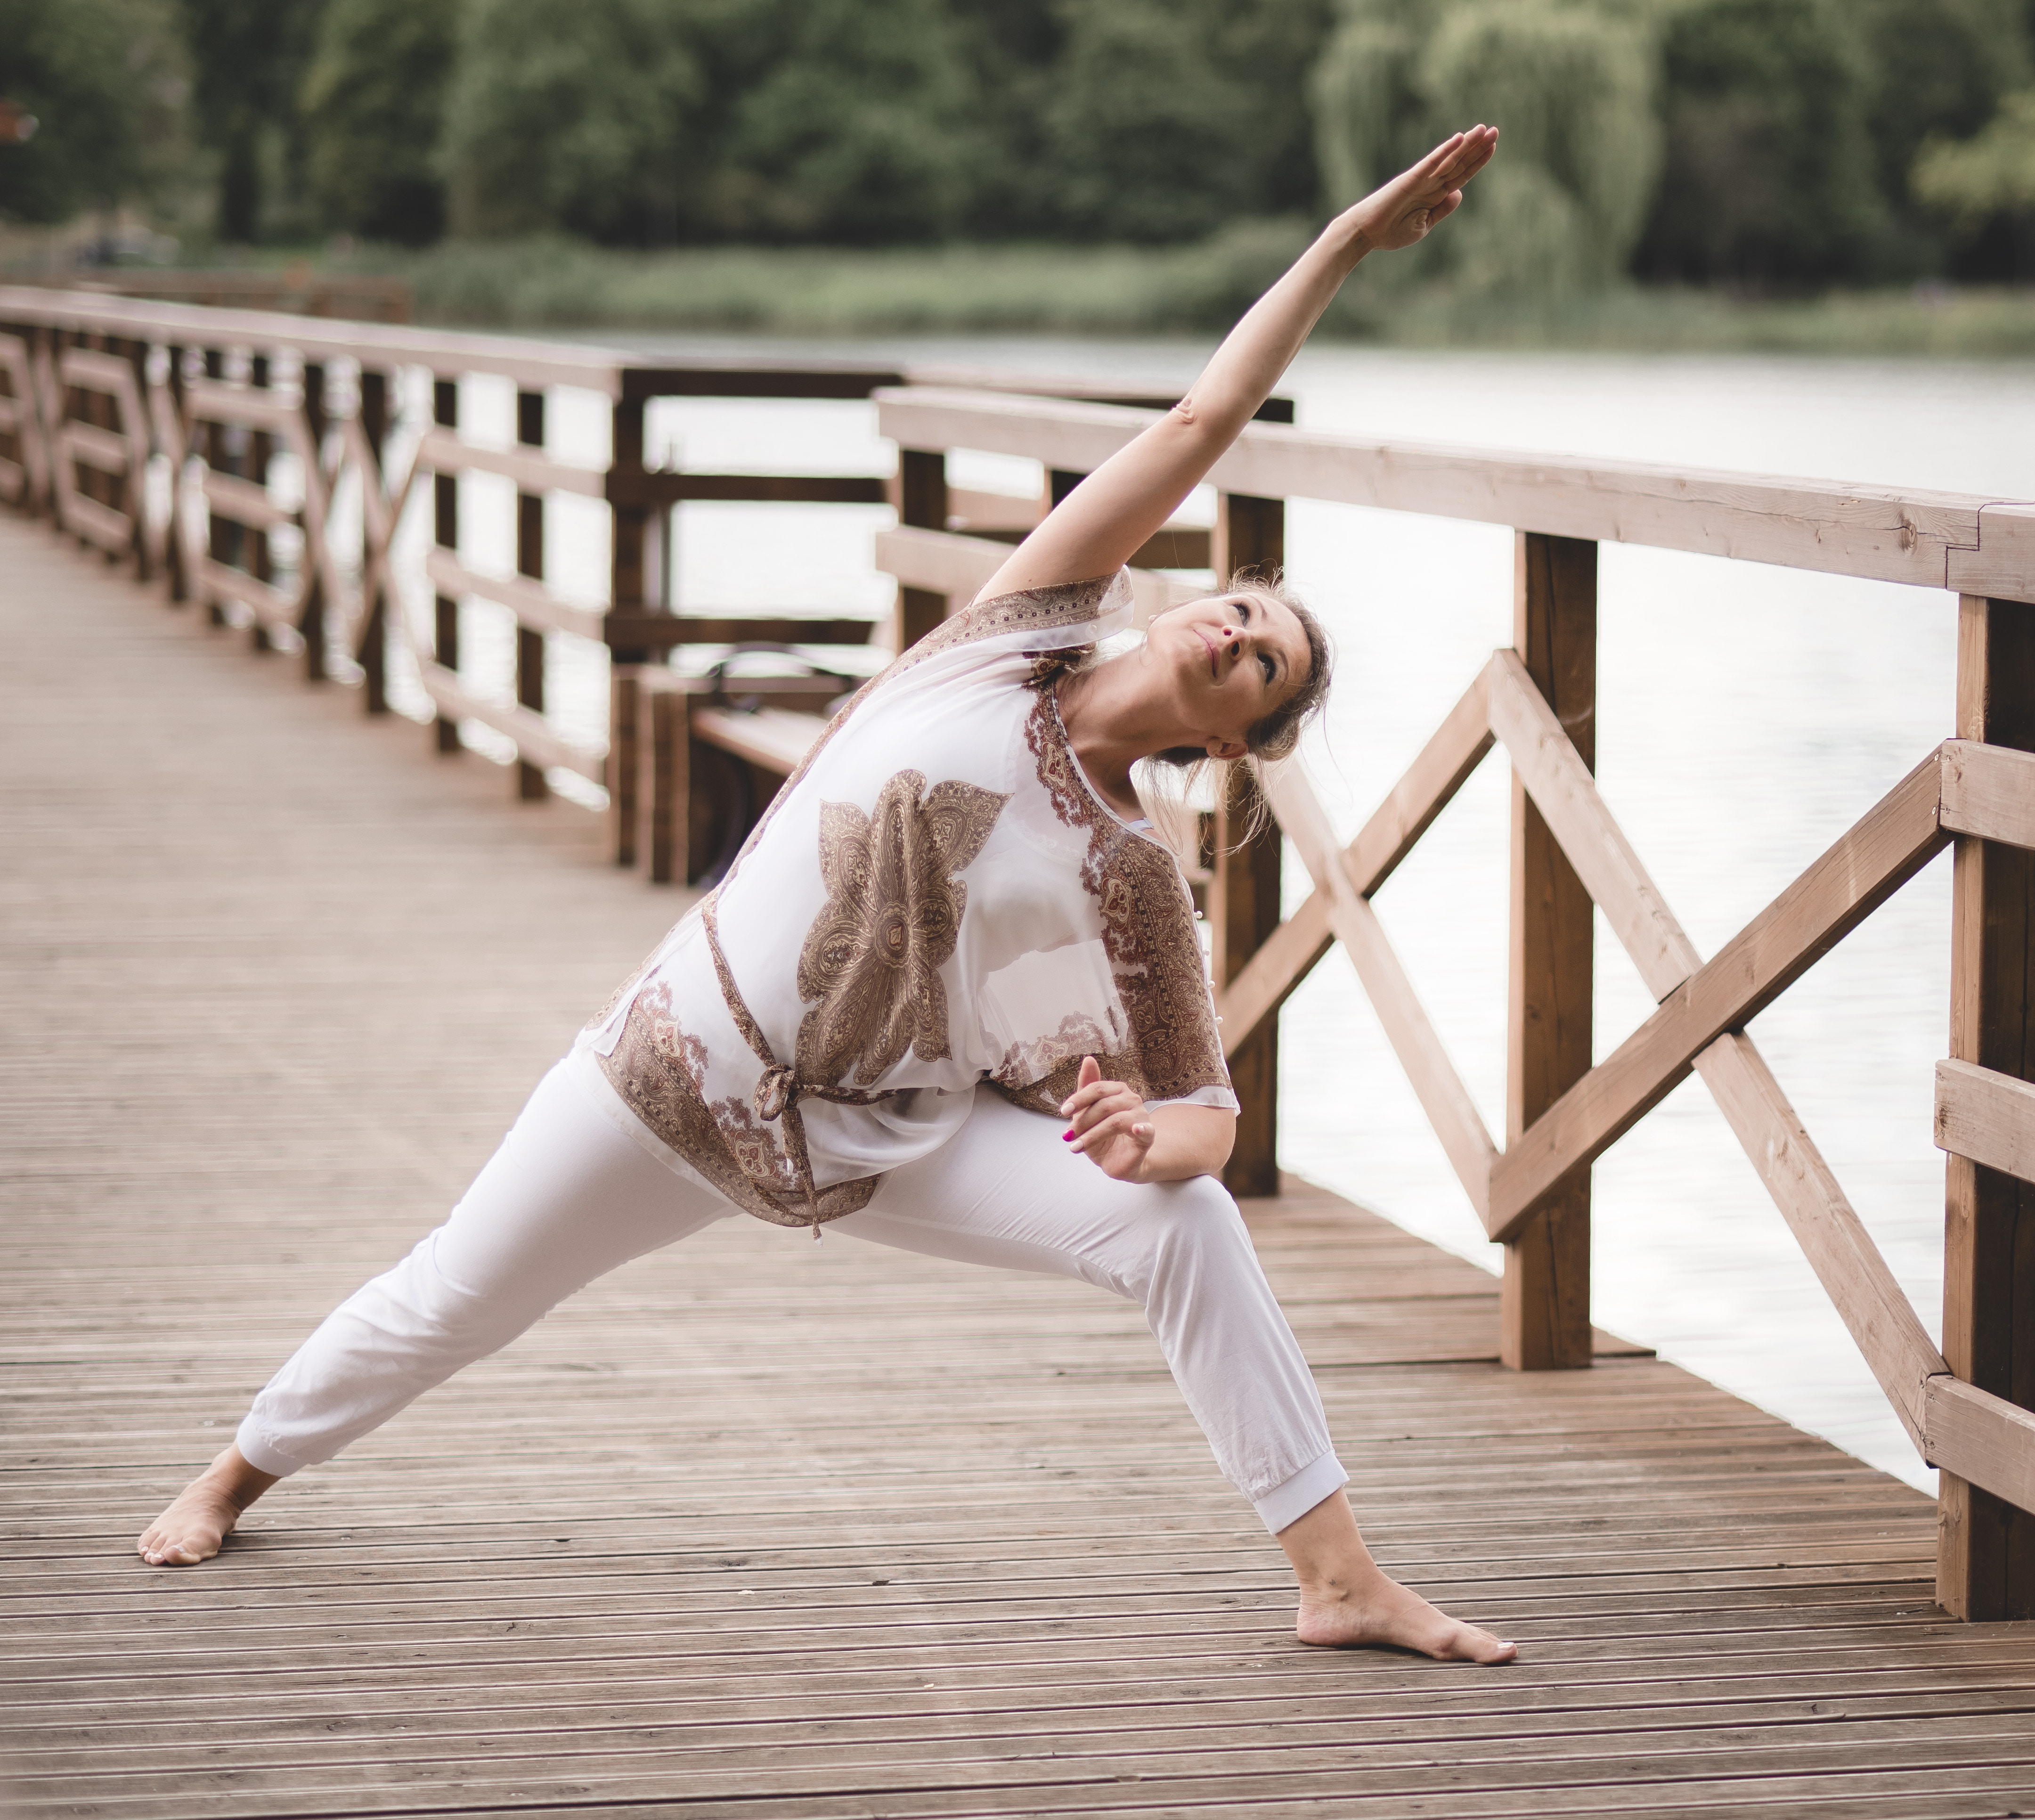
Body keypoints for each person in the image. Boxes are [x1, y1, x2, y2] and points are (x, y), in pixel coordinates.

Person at [137, 127, 1515, 1666]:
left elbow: (1208, 1114)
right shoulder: (1009, 637)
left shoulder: (1135, 874)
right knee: (450, 1295)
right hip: (675, 1068)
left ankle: (1336, 1578)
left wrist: (1149, 1138)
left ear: (1233, 737)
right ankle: (235, 1472)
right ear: (1193, 596)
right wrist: (1337, 245)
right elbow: (1200, 419)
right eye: (1241, 609)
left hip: (879, 1132)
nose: (1235, 635)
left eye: (1263, 667)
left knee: (1185, 1223)